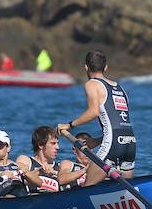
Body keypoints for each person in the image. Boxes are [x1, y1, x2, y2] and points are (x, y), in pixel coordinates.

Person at [58, 50, 136, 184]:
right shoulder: (120, 88)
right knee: (125, 190)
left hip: (112, 145)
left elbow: (93, 112)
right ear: (105, 68)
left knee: (88, 188)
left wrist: (69, 125)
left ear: (86, 67)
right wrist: (98, 140)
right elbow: (118, 123)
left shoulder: (92, 84)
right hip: (130, 143)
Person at [16, 126, 64, 193]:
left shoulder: (59, 167)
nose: (57, 147)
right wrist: (39, 172)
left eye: (57, 143)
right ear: (40, 145)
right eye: (53, 143)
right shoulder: (26, 160)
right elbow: (19, 175)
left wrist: (55, 173)